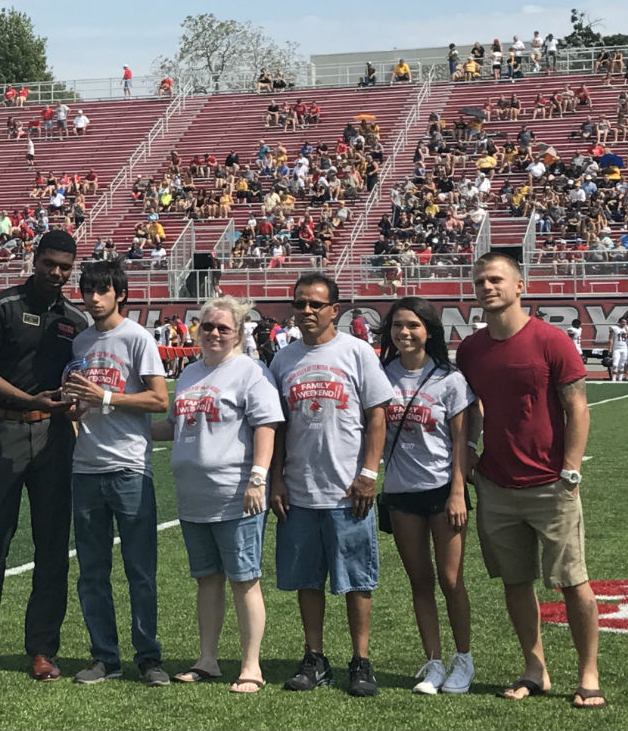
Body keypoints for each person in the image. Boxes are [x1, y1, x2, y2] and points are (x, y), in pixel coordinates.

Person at [456, 252, 603, 709]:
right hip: (497, 485)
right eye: (480, 281)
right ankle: (535, 667)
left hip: (550, 485)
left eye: (497, 279)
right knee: (514, 582)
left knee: (573, 581)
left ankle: (588, 673)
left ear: (520, 286)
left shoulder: (551, 340)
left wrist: (571, 469)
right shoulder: (471, 348)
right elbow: (470, 409)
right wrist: (472, 455)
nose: (487, 287)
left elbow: (577, 407)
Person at [0, 230, 88, 681]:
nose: (57, 273)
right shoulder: (1, 305)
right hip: (3, 431)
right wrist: (30, 400)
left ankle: (43, 649)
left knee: (51, 546)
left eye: (65, 266)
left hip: (55, 438)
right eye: (50, 263)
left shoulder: (75, 319)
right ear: (35, 259)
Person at [268, 273, 394, 697]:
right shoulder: (283, 359)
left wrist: (369, 474)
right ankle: (315, 657)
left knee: (357, 579)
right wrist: (276, 479)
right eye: (300, 303)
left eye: (315, 304)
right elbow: (278, 426)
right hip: (300, 487)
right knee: (307, 578)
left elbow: (377, 415)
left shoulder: (356, 352)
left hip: (348, 489)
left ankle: (361, 660)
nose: (306, 311)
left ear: (334, 310)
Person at [157, 295, 282, 693]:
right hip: (194, 498)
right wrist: (117, 425)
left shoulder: (250, 371)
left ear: (239, 333)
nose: (213, 333)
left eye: (222, 328)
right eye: (208, 326)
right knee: (207, 580)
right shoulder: (190, 373)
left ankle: (251, 666)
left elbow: (266, 426)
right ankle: (207, 659)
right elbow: (175, 425)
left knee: (245, 580)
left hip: (236, 494)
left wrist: (258, 478)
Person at [60, 260, 171, 686]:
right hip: (85, 468)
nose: (93, 297)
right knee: (91, 572)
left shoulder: (137, 337)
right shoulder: (81, 342)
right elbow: (80, 400)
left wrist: (105, 397)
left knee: (139, 569)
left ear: (119, 294)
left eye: (102, 290)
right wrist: (76, 408)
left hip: (129, 467)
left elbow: (158, 399)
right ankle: (104, 656)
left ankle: (149, 657)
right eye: (87, 289)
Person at [374, 298, 475, 695]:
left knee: (451, 580)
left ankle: (463, 659)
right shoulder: (382, 376)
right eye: (398, 326)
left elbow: (461, 440)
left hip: (442, 490)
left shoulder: (449, 378)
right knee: (420, 581)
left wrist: (457, 492)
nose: (405, 333)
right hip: (400, 493)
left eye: (413, 325)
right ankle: (433, 662)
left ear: (429, 330)